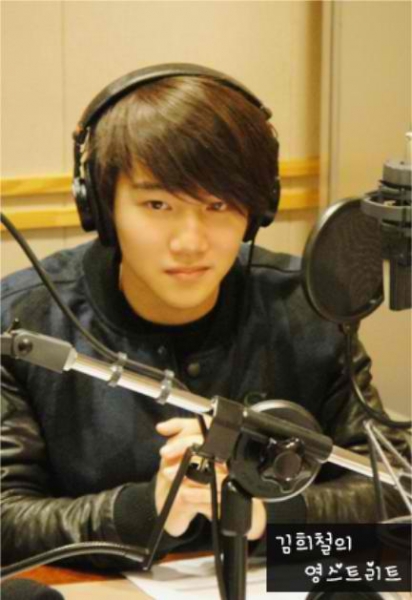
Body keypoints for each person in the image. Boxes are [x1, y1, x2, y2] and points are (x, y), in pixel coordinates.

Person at [1, 63, 407, 570]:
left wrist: (264, 517)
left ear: (258, 209)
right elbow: (6, 521)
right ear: (100, 206)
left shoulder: (310, 307)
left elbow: (394, 490)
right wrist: (149, 509)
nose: (191, 242)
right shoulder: (24, 322)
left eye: (218, 205)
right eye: (157, 204)